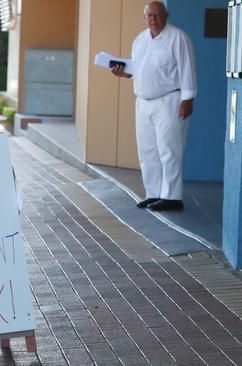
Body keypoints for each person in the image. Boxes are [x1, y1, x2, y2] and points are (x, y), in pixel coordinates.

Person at [111, 1, 196, 211]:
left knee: (169, 150)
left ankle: (172, 197)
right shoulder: (140, 40)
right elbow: (138, 69)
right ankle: (154, 193)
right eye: (149, 16)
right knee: (147, 151)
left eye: (157, 15)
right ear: (145, 17)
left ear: (166, 15)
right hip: (143, 102)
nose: (153, 19)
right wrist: (124, 72)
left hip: (169, 101)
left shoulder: (178, 38)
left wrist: (188, 98)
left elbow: (188, 69)